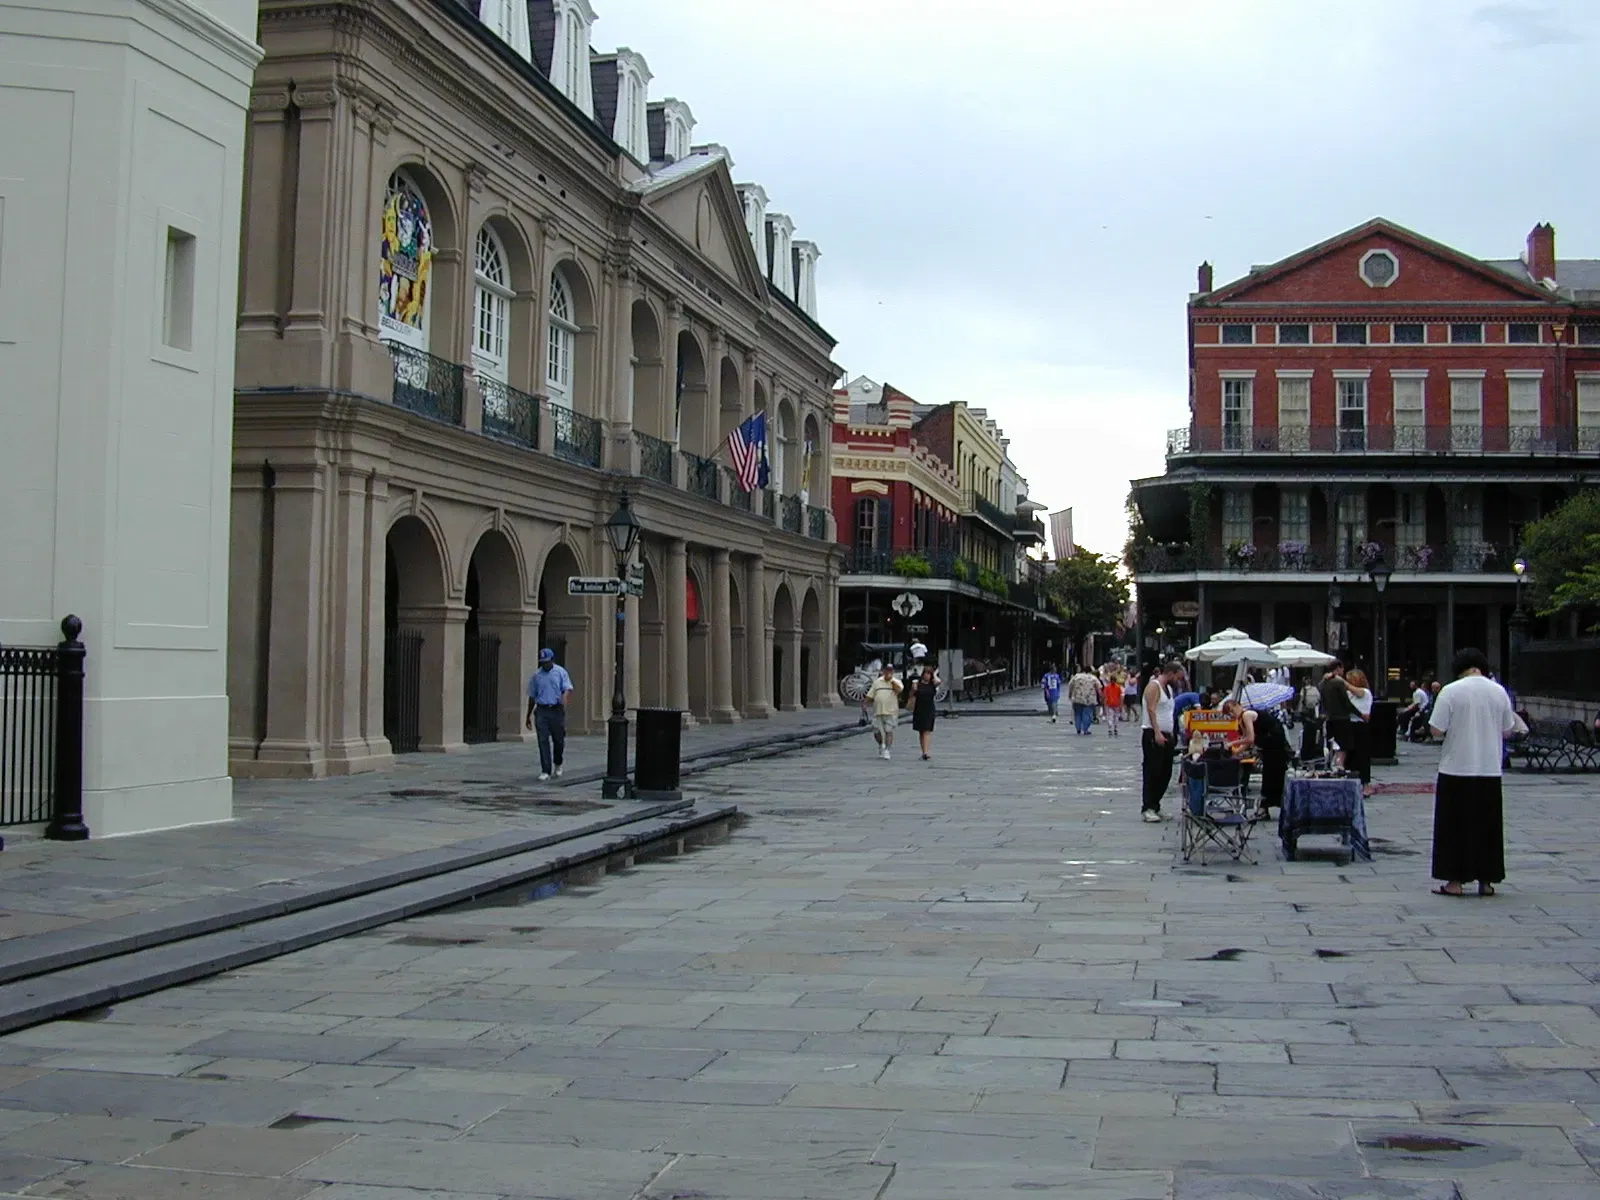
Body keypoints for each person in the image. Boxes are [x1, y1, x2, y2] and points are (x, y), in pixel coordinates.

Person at [1429, 647, 1526, 897]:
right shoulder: (1499, 691)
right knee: (1487, 827)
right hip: (1489, 768)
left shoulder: (1451, 691)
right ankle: (1487, 880)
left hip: (1456, 767)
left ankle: (1455, 882)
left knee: (1454, 827)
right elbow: (1507, 729)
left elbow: (1436, 729)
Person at [1223, 697, 1291, 817]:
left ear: (1238, 706)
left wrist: (1232, 744)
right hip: (1268, 746)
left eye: (1232, 711)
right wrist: (1237, 751)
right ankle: (1265, 806)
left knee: (1274, 775)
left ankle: (1269, 806)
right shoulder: (1241, 720)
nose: (1232, 714)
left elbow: (1250, 738)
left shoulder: (1246, 715)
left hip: (1275, 744)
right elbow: (1247, 741)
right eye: (1229, 714)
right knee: (1269, 775)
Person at [1140, 659, 1184, 822]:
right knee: (1153, 771)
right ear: (1171, 674)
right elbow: (1151, 710)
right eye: (1178, 677)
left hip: (1168, 734)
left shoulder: (1169, 689)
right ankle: (1148, 807)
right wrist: (1157, 732)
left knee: (1165, 773)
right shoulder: (1154, 686)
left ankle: (1156, 805)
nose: (1178, 681)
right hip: (1153, 733)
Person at [525, 647, 574, 781]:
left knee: (558, 740)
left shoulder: (560, 672)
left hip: (556, 709)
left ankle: (558, 763)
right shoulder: (537, 675)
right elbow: (532, 696)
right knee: (543, 740)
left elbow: (567, 688)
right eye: (543, 662)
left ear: (552, 660)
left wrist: (564, 698)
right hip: (542, 710)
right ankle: (545, 770)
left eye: (547, 662)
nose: (545, 665)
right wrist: (528, 715)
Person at [1319, 661, 1356, 771]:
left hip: (1329, 718)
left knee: (1332, 744)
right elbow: (1346, 702)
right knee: (1343, 745)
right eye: (1342, 669)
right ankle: (1339, 766)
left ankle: (1333, 764)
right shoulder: (1338, 682)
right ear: (1338, 668)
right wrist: (1359, 713)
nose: (1343, 671)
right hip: (1342, 717)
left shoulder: (1323, 683)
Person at [862, 663, 903, 761]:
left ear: (893, 672)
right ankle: (881, 744)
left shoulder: (897, 682)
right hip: (878, 710)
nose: (888, 672)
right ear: (883, 671)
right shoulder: (877, 682)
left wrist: (892, 682)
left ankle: (887, 750)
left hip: (891, 710)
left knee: (888, 730)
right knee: (876, 731)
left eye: (890, 670)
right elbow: (870, 695)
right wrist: (865, 704)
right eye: (887, 670)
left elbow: (899, 690)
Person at [1344, 668, 1375, 792]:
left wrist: (1343, 682)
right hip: (1349, 724)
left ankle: (1365, 784)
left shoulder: (1365, 692)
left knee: (1362, 755)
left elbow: (1359, 693)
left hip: (1360, 725)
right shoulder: (1348, 694)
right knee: (1350, 755)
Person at [910, 664, 940, 760]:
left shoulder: (932, 684)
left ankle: (926, 752)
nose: (927, 676)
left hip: (929, 709)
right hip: (919, 709)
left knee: (927, 730)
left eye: (929, 674)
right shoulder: (917, 683)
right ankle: (923, 751)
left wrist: (934, 674)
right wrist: (913, 689)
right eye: (926, 673)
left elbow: (939, 681)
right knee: (921, 731)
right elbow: (912, 694)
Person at [1068, 666, 1099, 735]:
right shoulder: (1093, 678)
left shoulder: (1076, 677)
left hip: (1077, 698)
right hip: (1089, 699)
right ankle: (1085, 729)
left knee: (1078, 714)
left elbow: (1070, 685)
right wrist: (1101, 696)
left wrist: (1070, 694)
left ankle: (1078, 728)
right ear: (1090, 671)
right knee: (1088, 714)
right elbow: (1098, 687)